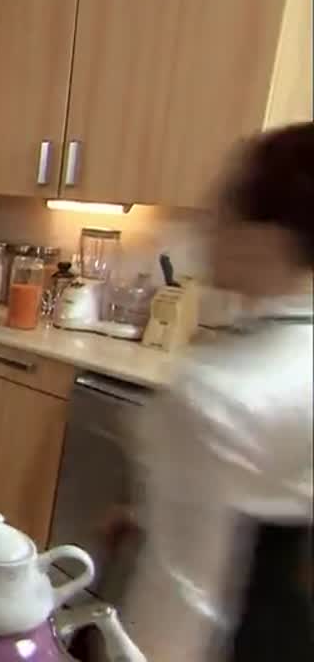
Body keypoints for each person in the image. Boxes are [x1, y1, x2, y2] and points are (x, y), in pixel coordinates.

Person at [120, 123, 313, 661]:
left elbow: (181, 602)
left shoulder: (219, 394)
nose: (208, 223)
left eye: (225, 206)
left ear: (268, 237)